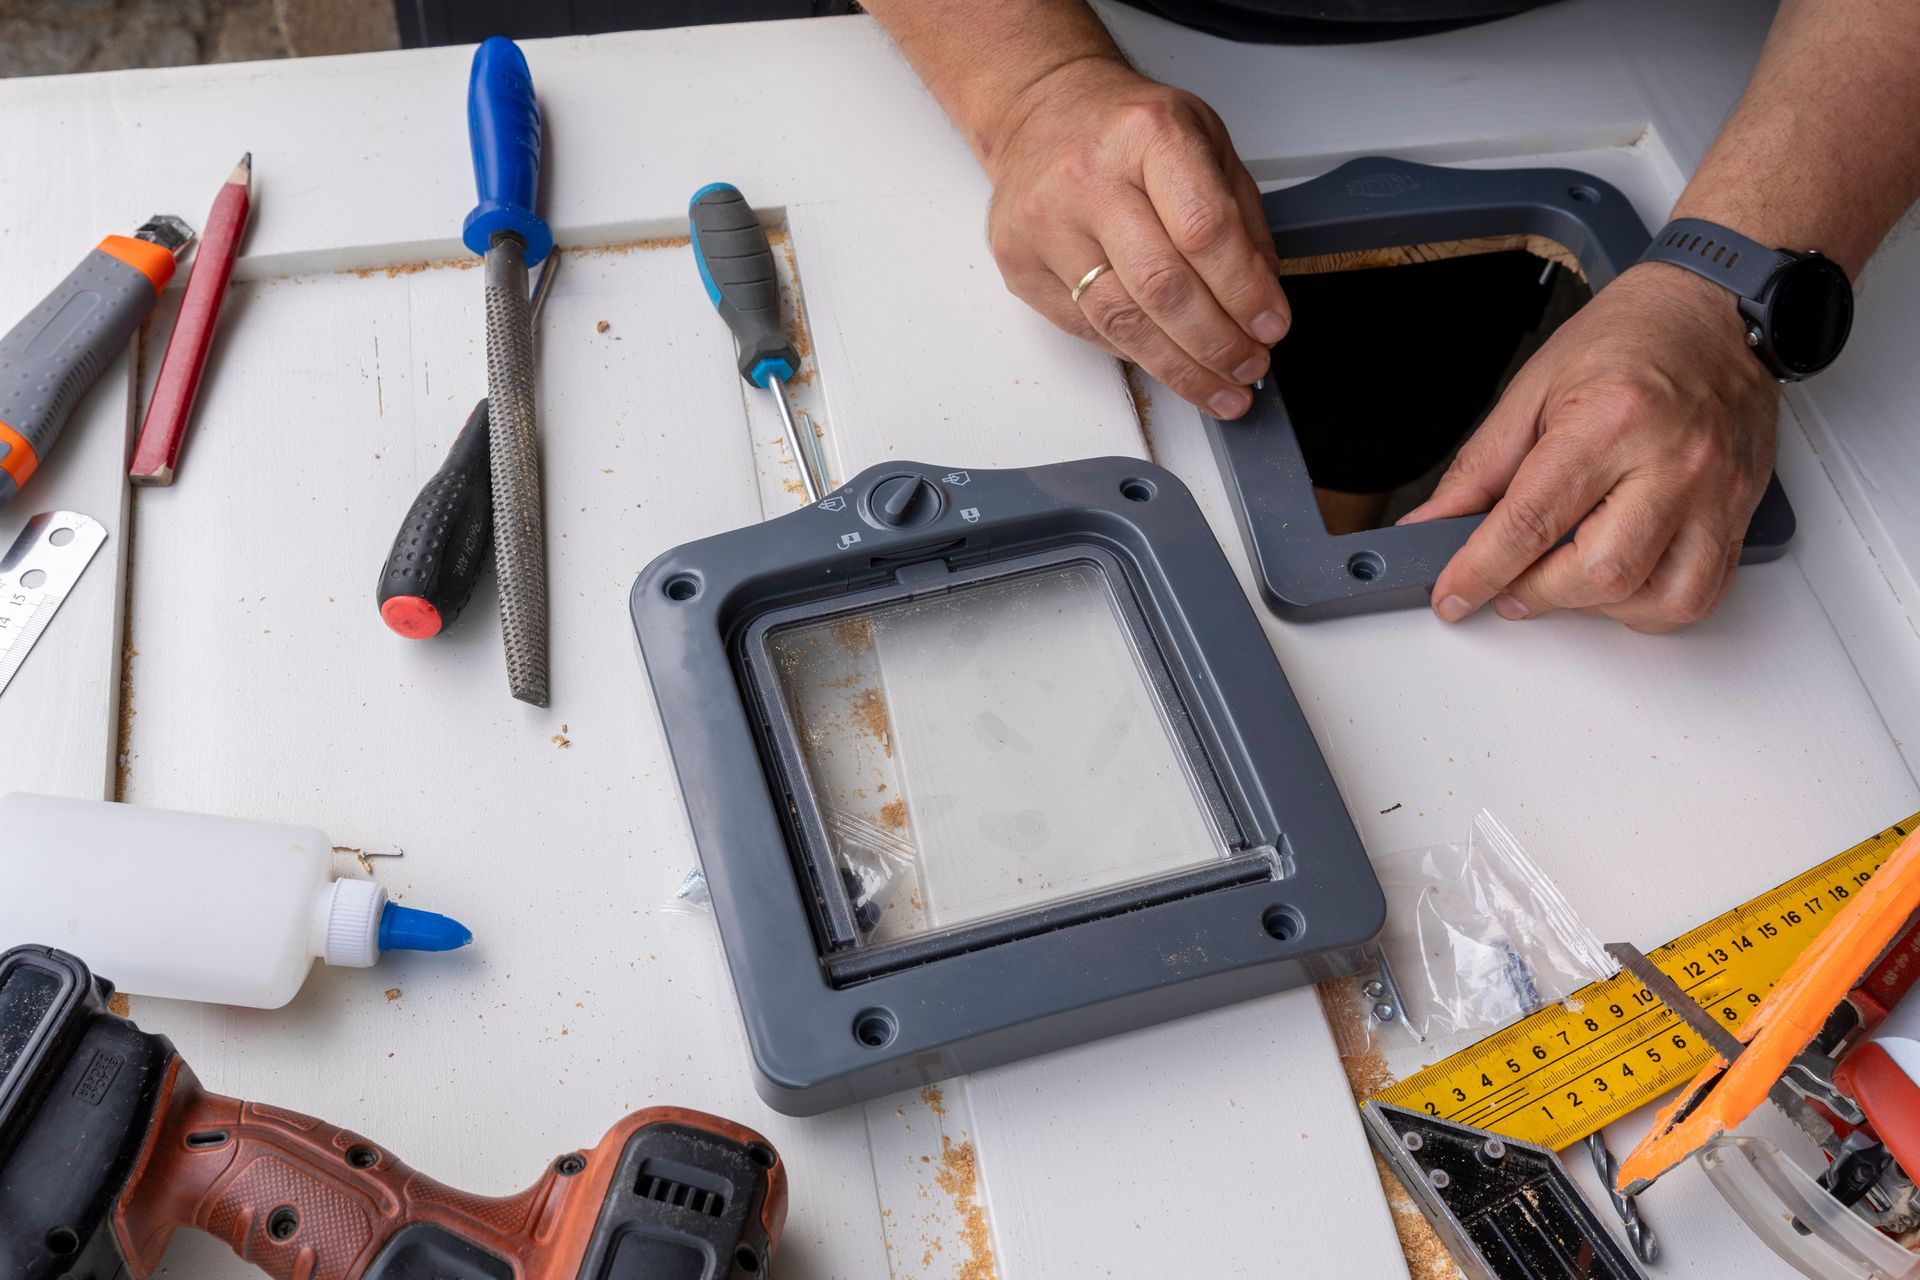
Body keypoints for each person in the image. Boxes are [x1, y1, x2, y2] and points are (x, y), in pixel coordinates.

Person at [860, 0, 1920, 632]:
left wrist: (1729, 277)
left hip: (1622, 53)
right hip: (1059, 33)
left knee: (1380, 434)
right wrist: (1033, 86)